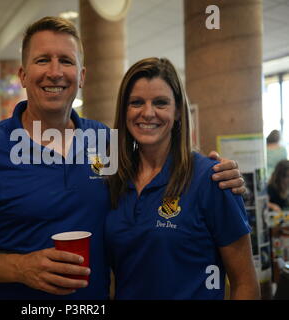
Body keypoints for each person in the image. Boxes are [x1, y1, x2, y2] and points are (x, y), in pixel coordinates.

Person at [0, 16, 245, 300]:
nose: (54, 72)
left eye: (66, 61)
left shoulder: (106, 143)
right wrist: (19, 267)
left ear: (81, 76)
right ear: (23, 75)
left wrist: (216, 171)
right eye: (43, 60)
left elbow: (160, 157)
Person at [105, 57, 260, 299]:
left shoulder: (212, 179)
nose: (147, 113)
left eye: (160, 103)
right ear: (124, 111)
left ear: (177, 111)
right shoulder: (113, 180)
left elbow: (245, 284)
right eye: (136, 102)